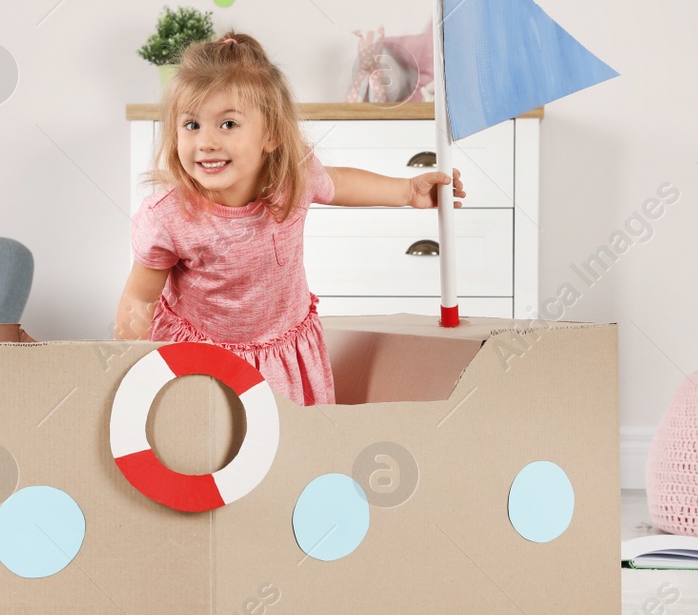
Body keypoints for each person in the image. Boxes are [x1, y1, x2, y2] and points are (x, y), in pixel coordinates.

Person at [115, 31, 464, 406]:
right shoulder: (169, 217)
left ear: (271, 135)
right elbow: (138, 299)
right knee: (212, 445)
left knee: (291, 444)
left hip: (281, 354)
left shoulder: (291, 182)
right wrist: (127, 371)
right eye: (191, 125)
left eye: (228, 124)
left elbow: (340, 182)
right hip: (200, 358)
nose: (206, 142)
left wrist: (407, 191)